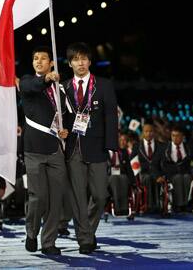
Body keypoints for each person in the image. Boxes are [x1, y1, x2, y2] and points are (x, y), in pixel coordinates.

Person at [62, 42, 118, 255]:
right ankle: (84, 238)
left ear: (90, 61)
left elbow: (111, 115)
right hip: (73, 148)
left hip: (97, 148)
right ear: (70, 64)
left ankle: (88, 230)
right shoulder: (64, 87)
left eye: (84, 58)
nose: (81, 62)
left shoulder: (103, 85)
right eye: (76, 59)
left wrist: (111, 145)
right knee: (78, 196)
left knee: (100, 195)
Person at [19, 46, 70, 255]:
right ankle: (31, 232)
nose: (38, 61)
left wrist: (65, 129)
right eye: (35, 59)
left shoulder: (60, 89)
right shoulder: (27, 82)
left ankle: (48, 242)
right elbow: (35, 86)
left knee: (56, 199)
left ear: (51, 62)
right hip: (33, 150)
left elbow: (65, 114)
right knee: (38, 197)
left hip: (55, 150)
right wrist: (47, 79)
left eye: (43, 58)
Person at [158, 125, 193, 212]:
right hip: (170, 174)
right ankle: (179, 205)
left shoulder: (189, 148)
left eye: (177, 136)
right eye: (173, 135)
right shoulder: (164, 148)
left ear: (182, 137)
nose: (175, 138)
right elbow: (156, 163)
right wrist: (158, 175)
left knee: (186, 178)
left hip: (185, 173)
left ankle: (187, 204)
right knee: (178, 178)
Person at [134, 122, 164, 213]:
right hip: (142, 173)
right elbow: (133, 162)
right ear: (143, 133)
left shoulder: (161, 146)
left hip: (158, 174)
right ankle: (150, 205)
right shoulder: (137, 146)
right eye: (146, 131)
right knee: (148, 177)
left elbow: (164, 163)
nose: (149, 133)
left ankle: (158, 204)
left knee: (154, 178)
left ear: (154, 132)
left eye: (151, 131)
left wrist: (161, 175)